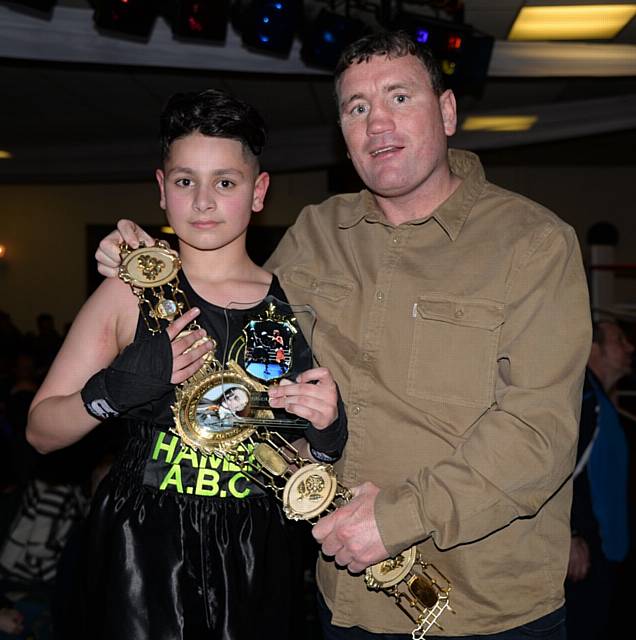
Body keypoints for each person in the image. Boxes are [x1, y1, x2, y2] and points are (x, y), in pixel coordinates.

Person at [95, 31, 592, 639]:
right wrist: (144, 262)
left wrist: (395, 518)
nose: (377, 123)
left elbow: (539, 432)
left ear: (447, 111)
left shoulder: (534, 243)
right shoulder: (315, 233)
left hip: (489, 607)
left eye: (399, 98)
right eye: (357, 108)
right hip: (345, 600)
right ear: (343, 132)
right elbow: (231, 312)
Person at [26, 89, 346, 640]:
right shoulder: (128, 293)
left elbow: (281, 459)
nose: (203, 201)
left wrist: (322, 439)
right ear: (161, 188)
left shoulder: (291, 304)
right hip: (138, 545)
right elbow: (40, 432)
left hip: (253, 548)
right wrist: (113, 389)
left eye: (225, 181)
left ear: (258, 191)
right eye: (184, 181)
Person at [566, 320, 632, 640]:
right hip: (587, 559)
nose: (630, 348)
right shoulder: (585, 401)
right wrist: (569, 533)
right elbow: (558, 472)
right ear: (594, 350)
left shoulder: (602, 403)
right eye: (620, 340)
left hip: (607, 555)